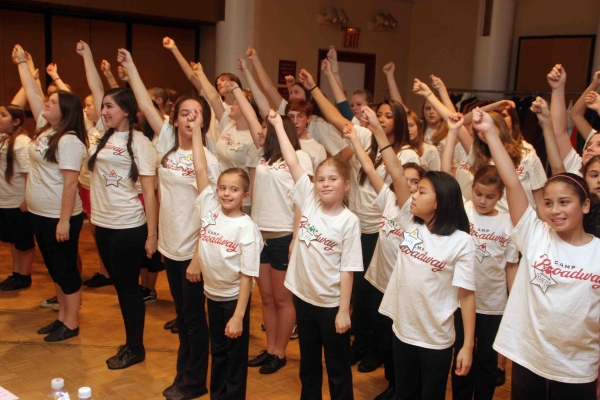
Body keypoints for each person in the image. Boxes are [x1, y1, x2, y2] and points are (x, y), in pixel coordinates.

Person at [469, 107, 600, 400]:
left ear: (586, 205)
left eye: (564, 202)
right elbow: (512, 183)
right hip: (530, 359)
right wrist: (491, 133)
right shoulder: (535, 233)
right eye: (549, 203)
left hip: (577, 367)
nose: (555, 210)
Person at [297, 67, 420, 371]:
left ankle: (377, 350)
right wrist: (314, 88)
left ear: (399, 122)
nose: (381, 118)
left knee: (376, 296)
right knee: (359, 296)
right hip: (356, 226)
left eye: (389, 116)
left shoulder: (405, 156)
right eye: (381, 114)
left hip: (382, 231)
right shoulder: (365, 138)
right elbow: (339, 119)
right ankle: (359, 343)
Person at [124, 48, 219, 398]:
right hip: (172, 246)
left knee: (194, 320)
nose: (190, 119)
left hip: (195, 252)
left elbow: (213, 212)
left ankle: (194, 382)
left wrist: (197, 255)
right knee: (184, 317)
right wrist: (131, 66)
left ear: (203, 121)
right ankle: (185, 375)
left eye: (196, 114)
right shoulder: (167, 147)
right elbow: (146, 106)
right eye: (184, 113)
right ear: (175, 119)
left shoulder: (209, 159)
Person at [372, 99, 476, 399]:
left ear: (440, 201)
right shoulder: (410, 222)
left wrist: (467, 345)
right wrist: (379, 132)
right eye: (414, 191)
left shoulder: (460, 241)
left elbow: (467, 296)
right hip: (403, 331)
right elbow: (394, 169)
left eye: (421, 191)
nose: (413, 195)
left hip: (436, 339)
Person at [268, 109, 361, 399]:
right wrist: (277, 125)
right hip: (304, 300)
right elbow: (292, 159)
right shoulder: (308, 199)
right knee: (308, 366)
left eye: (333, 179)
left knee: (337, 368)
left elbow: (348, 268)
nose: (325, 184)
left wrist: (344, 310)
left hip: (331, 305)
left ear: (345, 186)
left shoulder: (349, 221)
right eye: (321, 179)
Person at [88, 48, 158, 370]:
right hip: (103, 225)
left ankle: (135, 347)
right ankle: (131, 341)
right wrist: (89, 57)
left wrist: (153, 235)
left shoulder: (140, 143)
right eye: (102, 106)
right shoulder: (104, 138)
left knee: (129, 289)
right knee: (121, 286)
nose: (103, 111)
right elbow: (95, 89)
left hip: (128, 227)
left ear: (127, 111)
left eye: (109, 107)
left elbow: (149, 192)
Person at [14, 44, 88, 342]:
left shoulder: (70, 140)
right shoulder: (46, 130)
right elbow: (33, 95)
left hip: (59, 217)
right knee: (56, 268)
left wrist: (64, 221)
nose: (46, 102)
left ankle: (71, 323)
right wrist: (23, 63)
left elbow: (71, 184)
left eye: (53, 101)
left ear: (65, 111)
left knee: (66, 269)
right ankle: (61, 317)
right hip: (40, 213)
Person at [188, 106, 261, 399]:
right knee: (216, 353)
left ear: (246, 196)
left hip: (233, 301)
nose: (226, 194)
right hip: (212, 296)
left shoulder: (247, 228)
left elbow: (247, 277)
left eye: (233, 190)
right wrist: (195, 132)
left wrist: (239, 316)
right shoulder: (209, 206)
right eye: (222, 188)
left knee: (234, 360)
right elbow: (200, 168)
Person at [0, 104, 35, 291]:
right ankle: (16, 273)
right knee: (13, 241)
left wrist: (27, 200)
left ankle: (25, 275)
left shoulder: (21, 142)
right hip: (4, 201)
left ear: (16, 121)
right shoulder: (4, 139)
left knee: (24, 242)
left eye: (3, 115)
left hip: (18, 201)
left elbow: (29, 172)